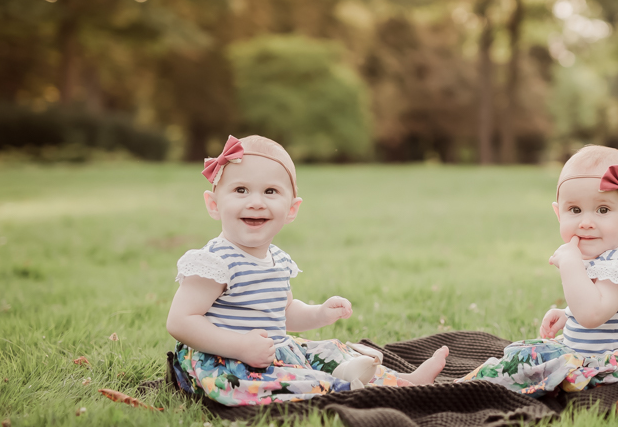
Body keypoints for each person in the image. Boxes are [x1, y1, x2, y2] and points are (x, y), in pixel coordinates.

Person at [166, 135, 448, 405]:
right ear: (214, 204)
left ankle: (401, 382)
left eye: (270, 191)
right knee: (277, 383)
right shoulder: (214, 262)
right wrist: (239, 347)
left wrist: (319, 313)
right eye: (241, 190)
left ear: (291, 209)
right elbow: (181, 321)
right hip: (222, 363)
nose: (255, 201)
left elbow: (284, 313)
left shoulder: (278, 259)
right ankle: (341, 387)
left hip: (272, 352)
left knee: (330, 350)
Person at [458, 145, 618, 396]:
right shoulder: (601, 258)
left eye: (603, 210)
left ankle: (464, 390)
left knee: (522, 374)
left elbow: (592, 313)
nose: (586, 222)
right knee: (523, 357)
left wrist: (570, 265)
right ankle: (460, 385)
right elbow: (600, 302)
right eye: (575, 210)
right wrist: (567, 314)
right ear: (559, 214)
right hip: (589, 355)